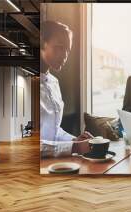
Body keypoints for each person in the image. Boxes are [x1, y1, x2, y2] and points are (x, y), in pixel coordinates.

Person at [40, 20, 92, 157]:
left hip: (55, 162)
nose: (65, 55)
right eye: (60, 47)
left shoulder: (54, 82)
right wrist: (74, 147)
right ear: (42, 43)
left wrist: (74, 140)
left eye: (68, 50)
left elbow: (54, 132)